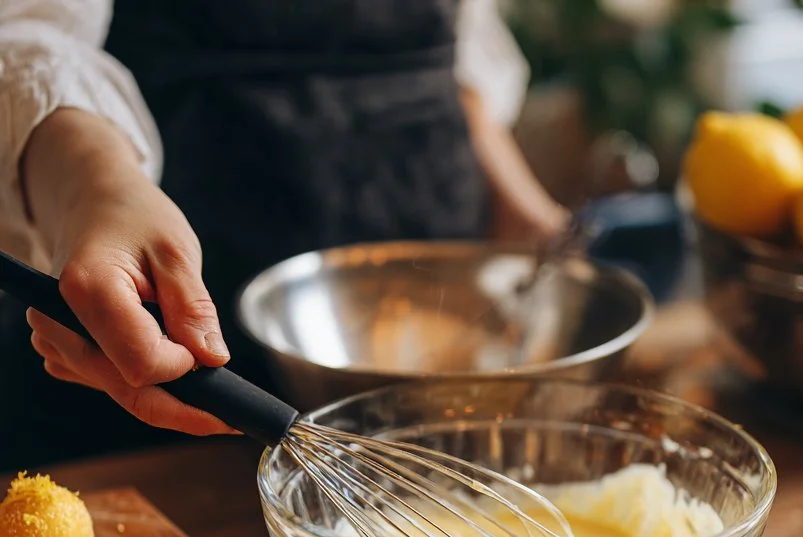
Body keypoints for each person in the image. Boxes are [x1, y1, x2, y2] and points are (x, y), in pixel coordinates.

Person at [0, 1, 567, 467]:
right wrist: (96, 189)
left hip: (438, 355)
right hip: (160, 354)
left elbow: (446, 46)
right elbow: (25, 35)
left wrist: (520, 207)